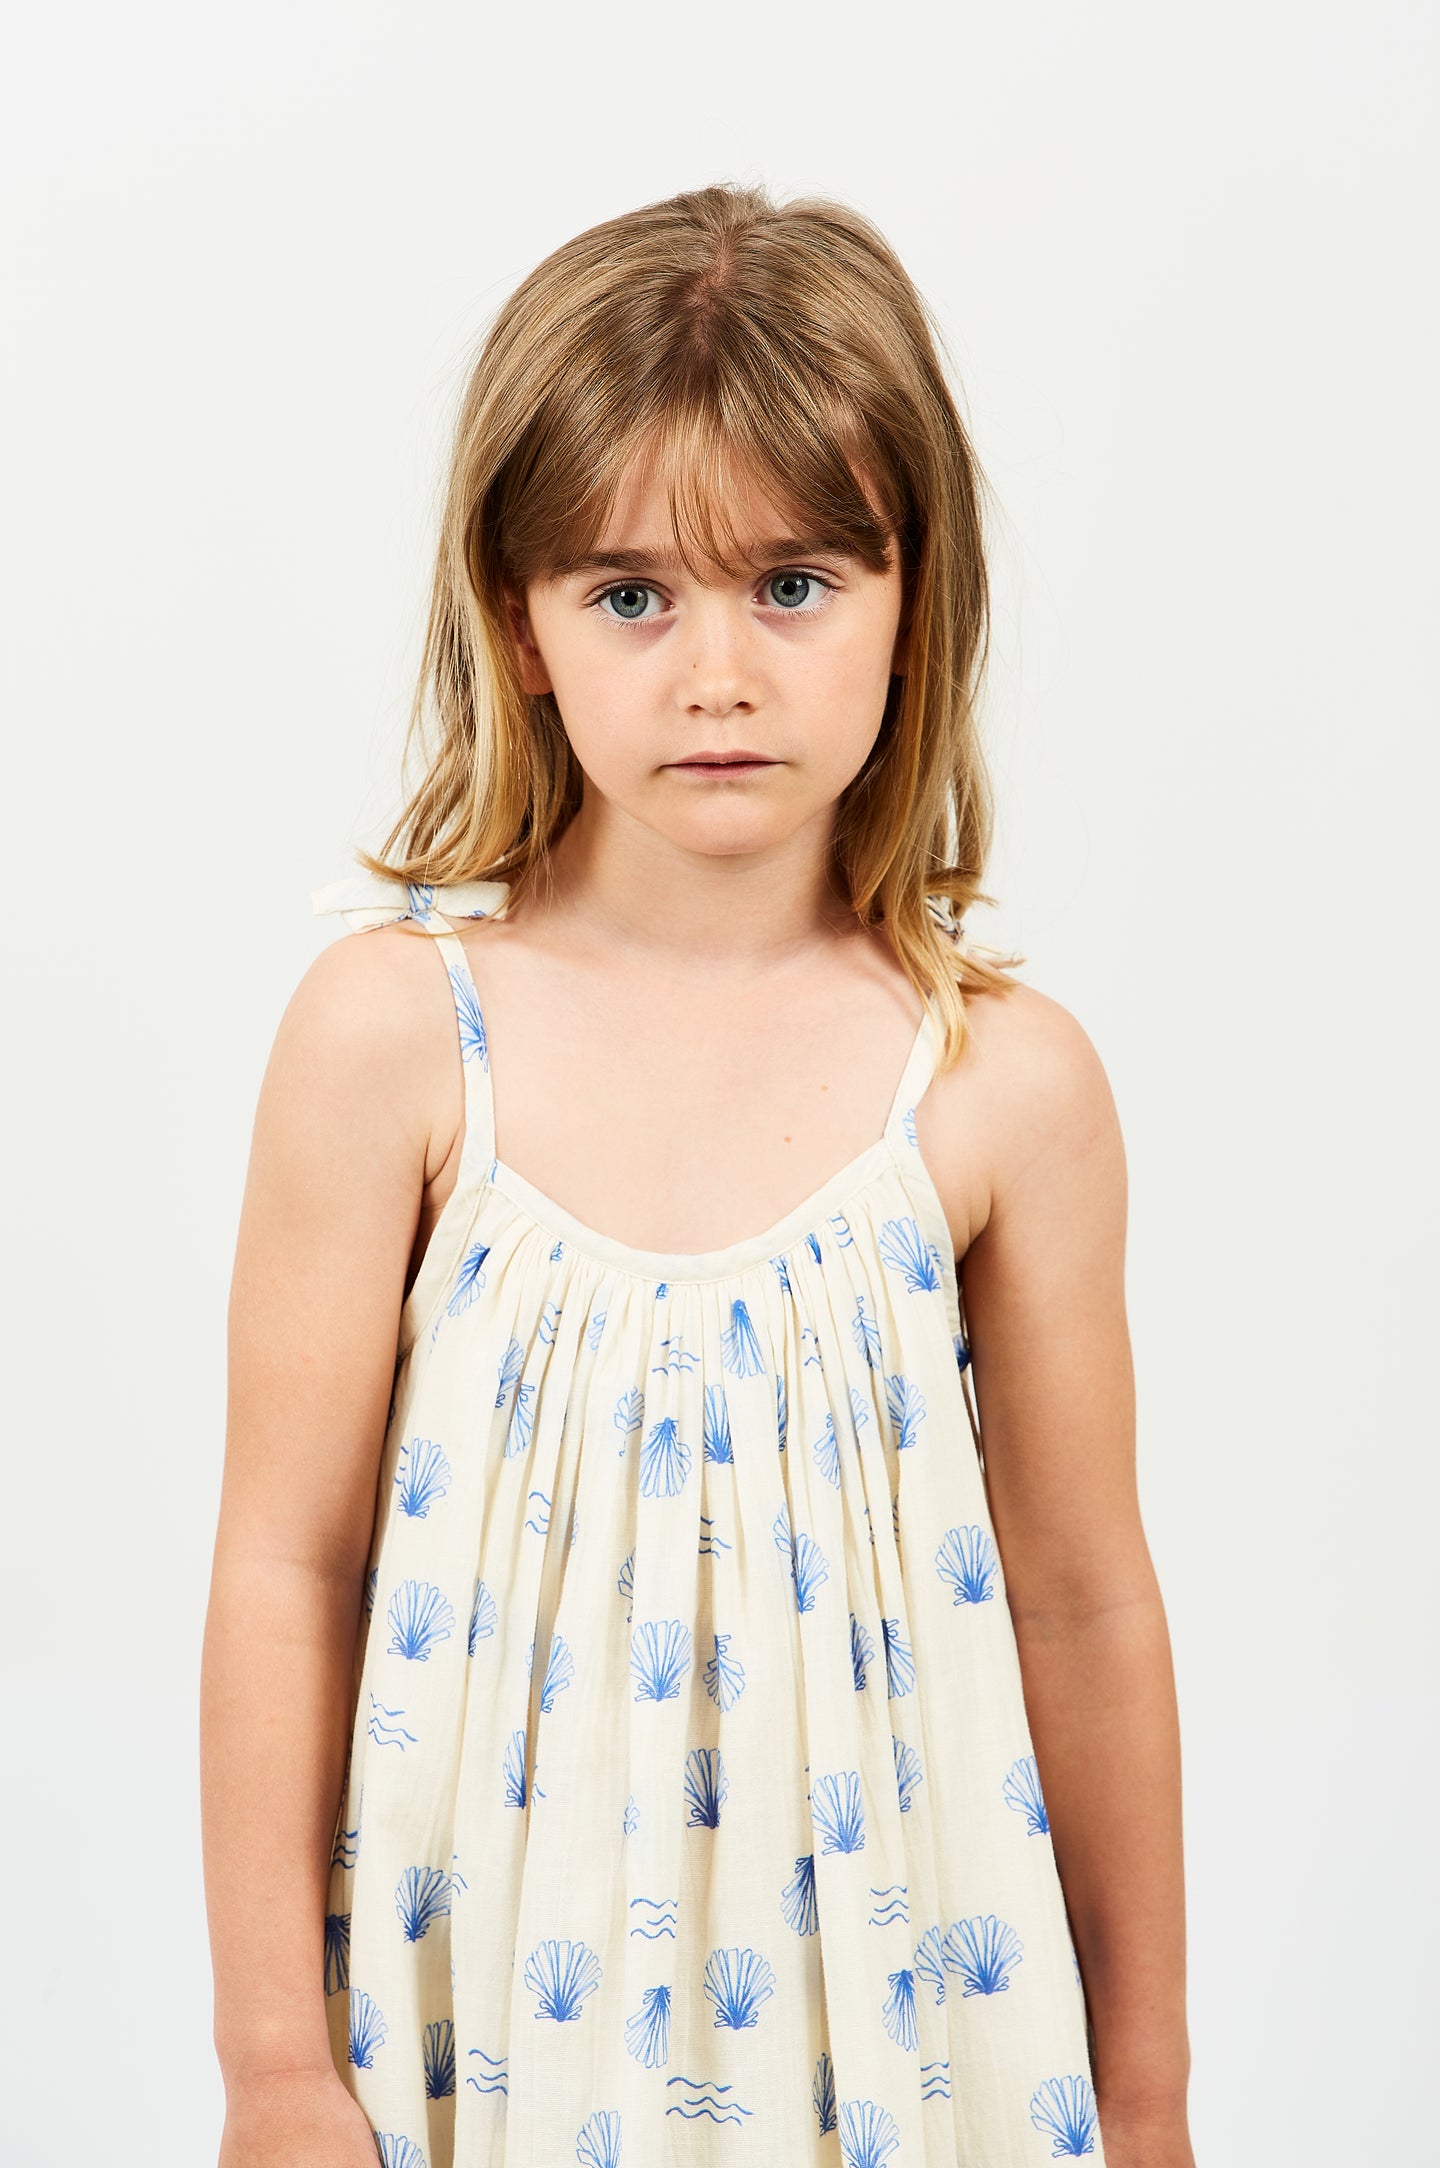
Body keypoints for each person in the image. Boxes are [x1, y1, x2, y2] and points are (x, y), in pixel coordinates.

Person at [201, 181, 1194, 2168]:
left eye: (794, 583)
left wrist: (1151, 2097)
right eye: (631, 594)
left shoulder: (1000, 1090)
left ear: (914, 603)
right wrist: (272, 2069)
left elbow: (1085, 1610)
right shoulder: (394, 1044)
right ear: (520, 621)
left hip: (905, 2036)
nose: (715, 672)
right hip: (488, 2017)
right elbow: (286, 1566)